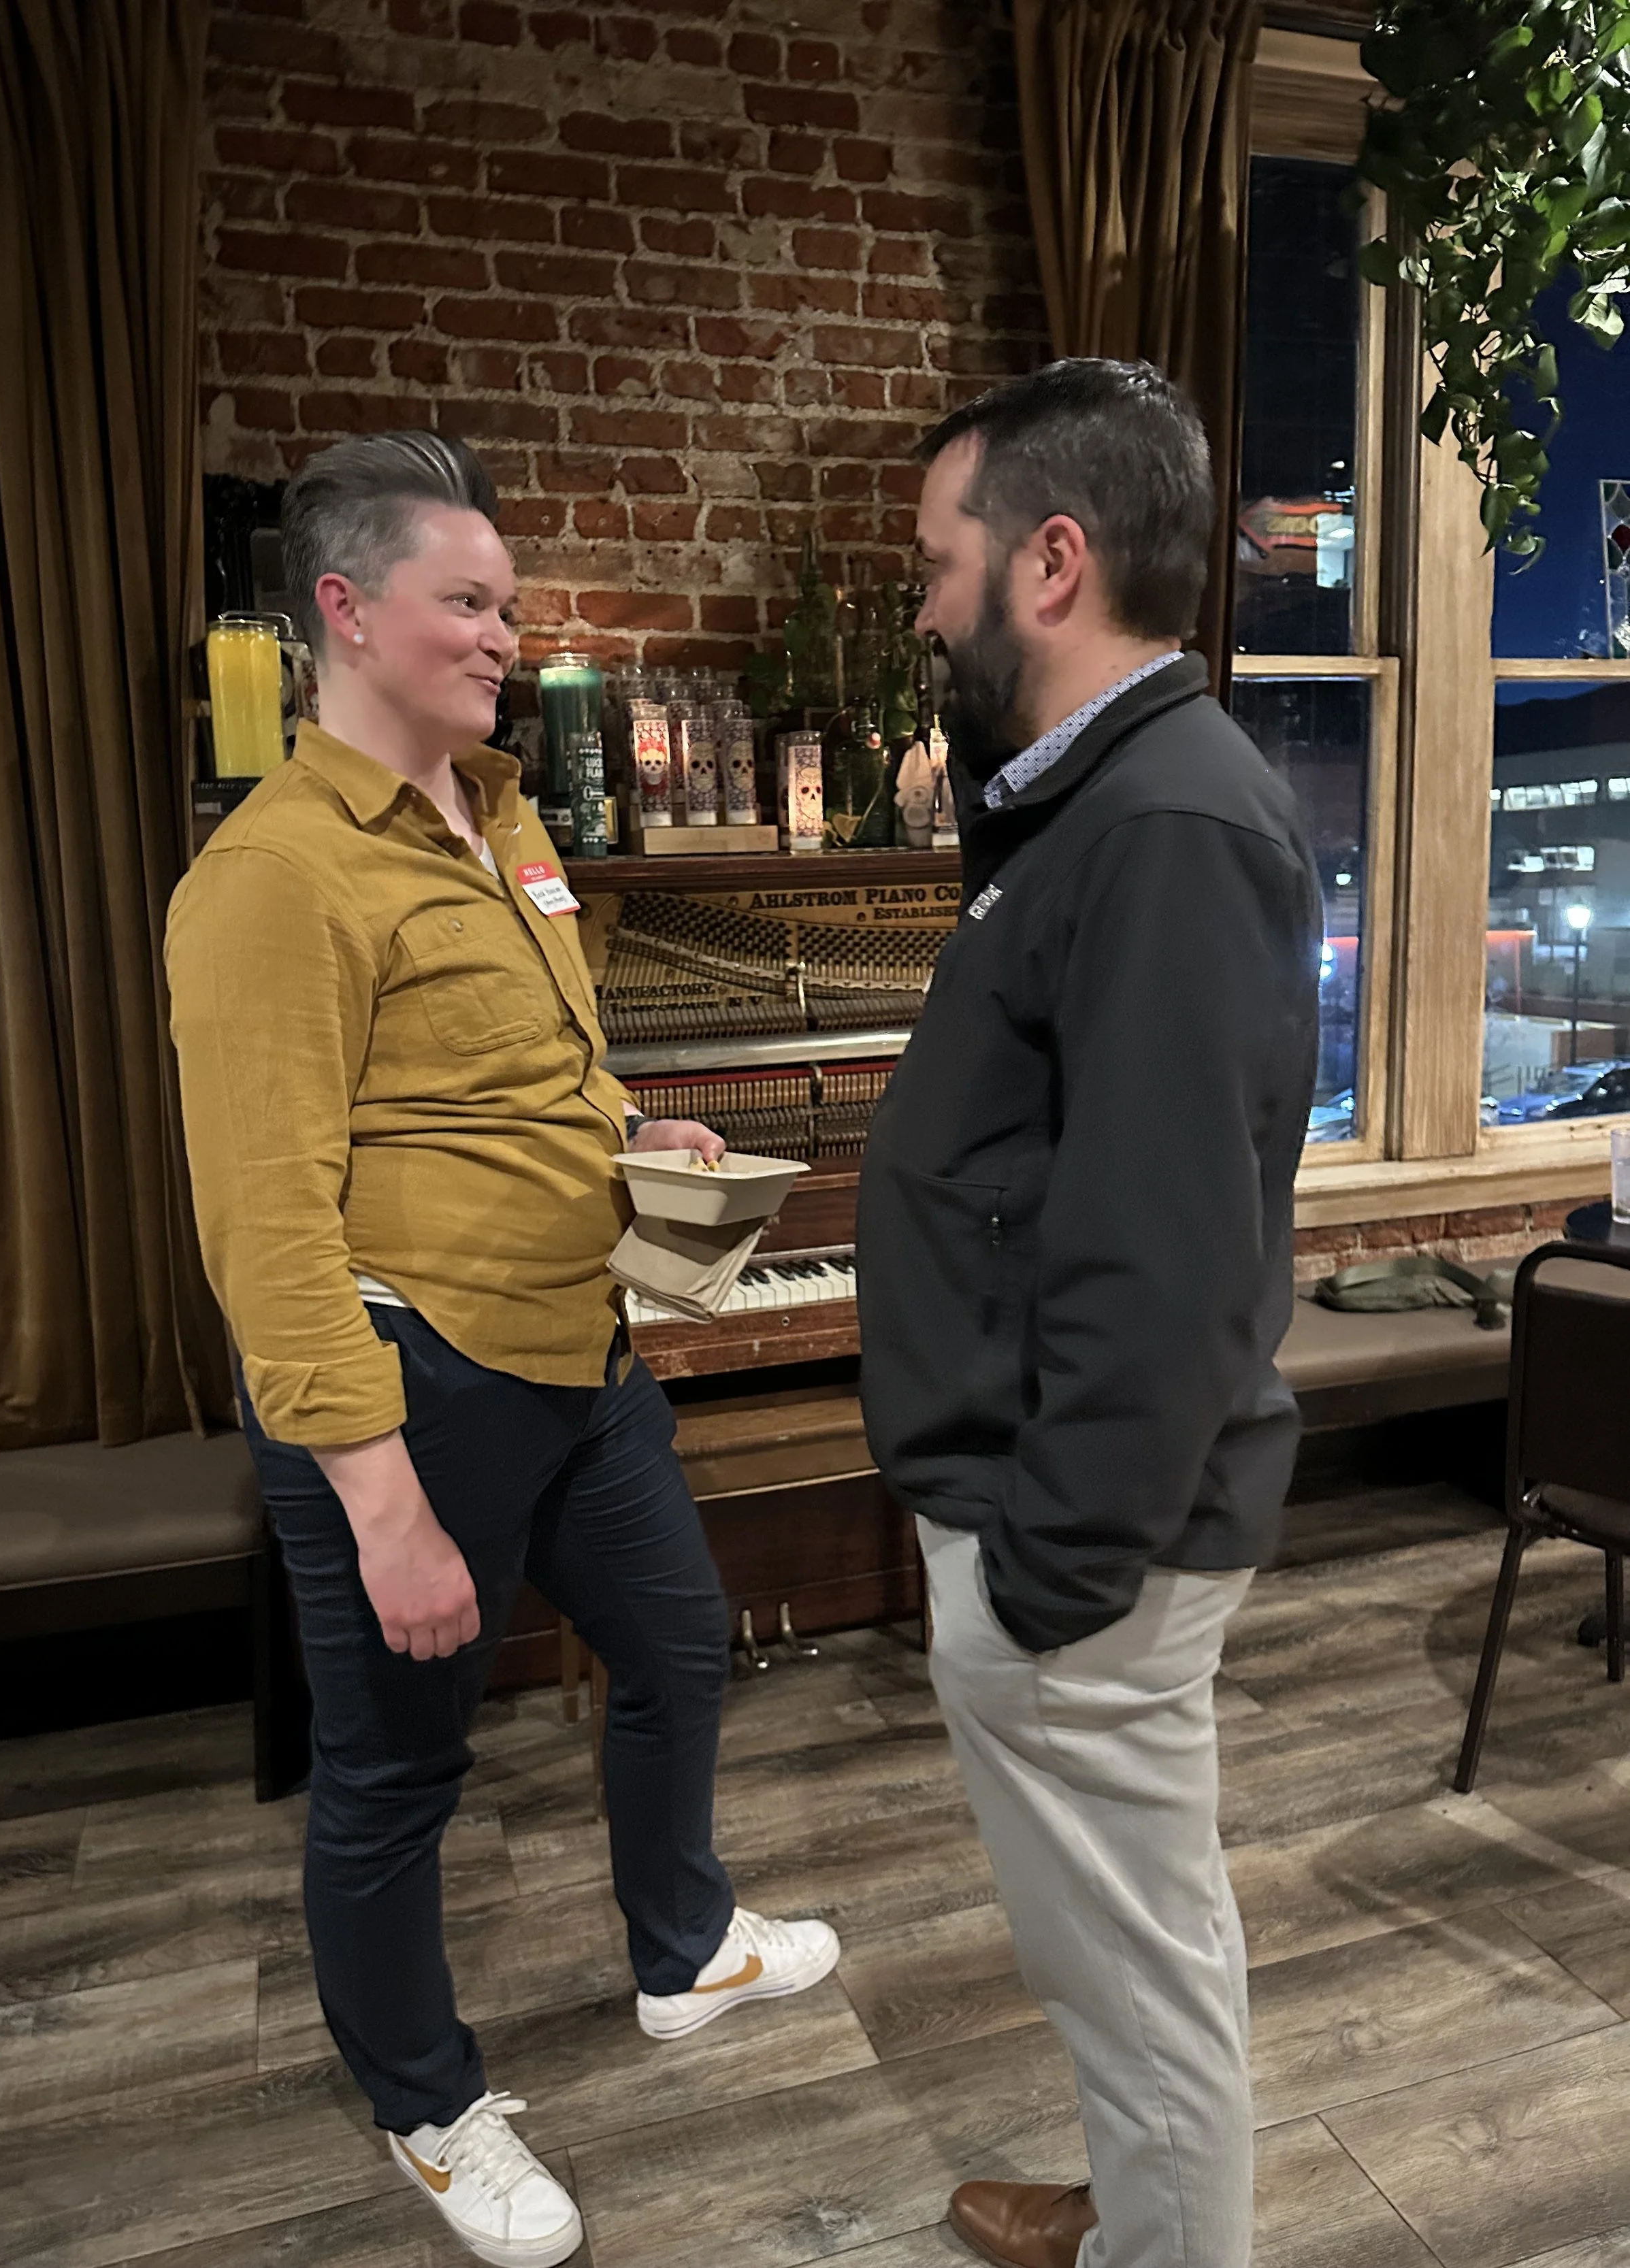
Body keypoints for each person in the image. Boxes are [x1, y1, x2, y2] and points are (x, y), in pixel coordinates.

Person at [166, 431, 839, 2268]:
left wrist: (635, 1144)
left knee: (679, 1643)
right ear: (344, 612)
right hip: (412, 1386)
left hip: (581, 1345)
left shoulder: (509, 815)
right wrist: (379, 1502)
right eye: (464, 603)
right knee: (395, 1770)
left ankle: (683, 1948)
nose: (503, 634)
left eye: (502, 602)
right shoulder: (270, 878)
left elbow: (524, 1080)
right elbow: (267, 1224)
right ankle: (424, 2103)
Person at [857, 361, 1322, 2268]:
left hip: (1082, 1554)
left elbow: (1168, 1259)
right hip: (1051, 1532)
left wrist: (1049, 1569)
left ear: (1048, 562)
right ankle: (1131, 2202)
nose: (915, 606)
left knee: (1147, 1985)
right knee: (1104, 1954)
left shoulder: (1163, 829)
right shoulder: (1094, 802)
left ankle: (1165, 2227)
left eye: (931, 563)